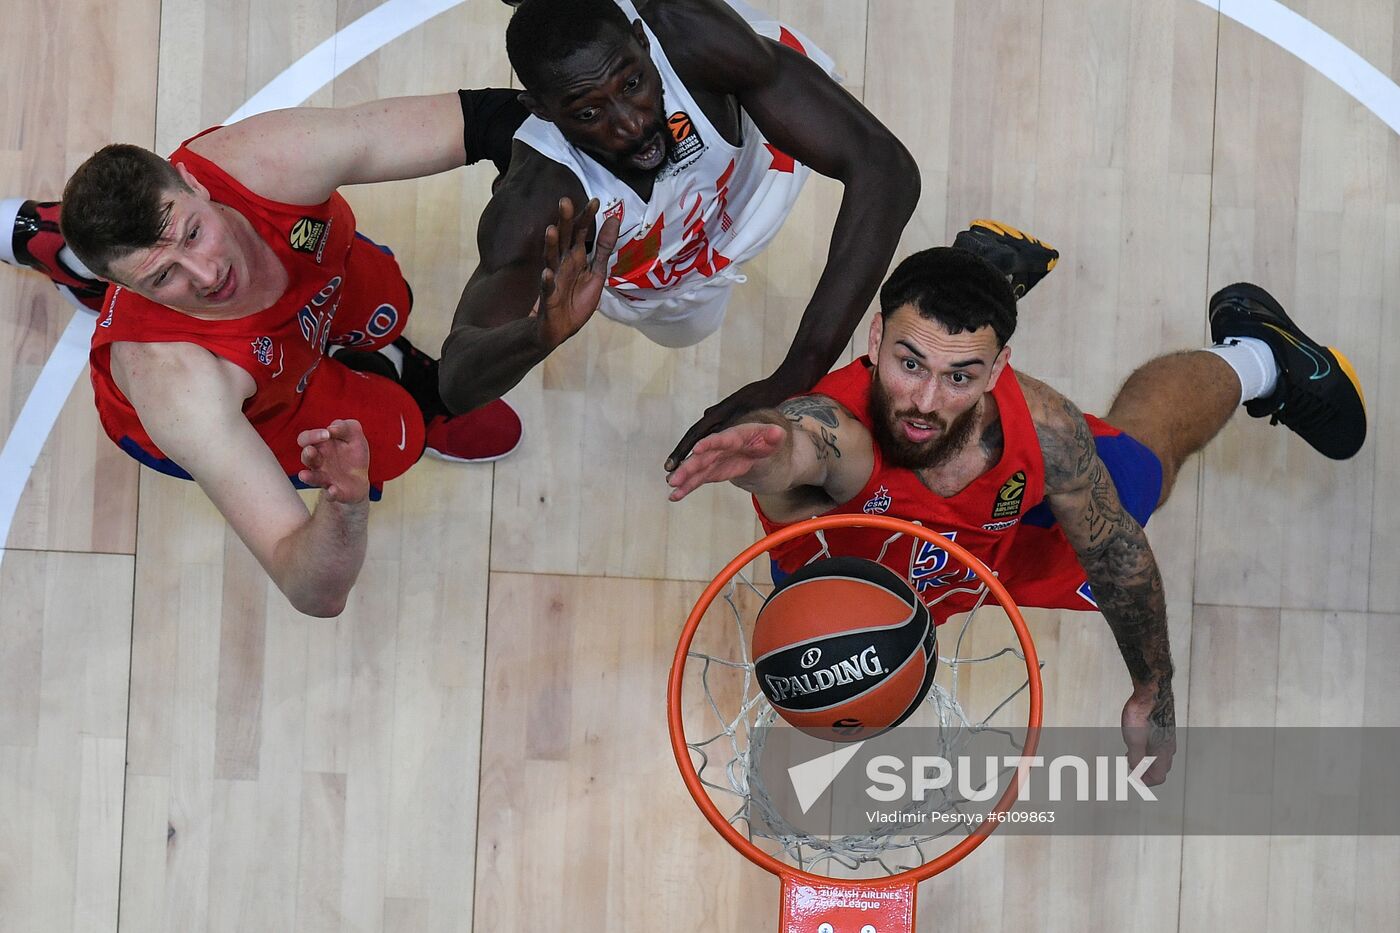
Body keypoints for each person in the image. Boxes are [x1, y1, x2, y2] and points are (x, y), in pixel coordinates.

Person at [666, 246, 1368, 785]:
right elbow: (802, 445)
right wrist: (763, 447)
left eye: (960, 376)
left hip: (1000, 531)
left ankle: (1261, 355)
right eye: (909, 363)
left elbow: (1121, 562)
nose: (924, 401)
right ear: (874, 340)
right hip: (876, 575)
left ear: (999, 370)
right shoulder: (845, 431)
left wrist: (1153, 685)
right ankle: (979, 266)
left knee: (1152, 467)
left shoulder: (1045, 430)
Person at [1, 89, 533, 616]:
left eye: (192, 233)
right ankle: (427, 403)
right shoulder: (180, 389)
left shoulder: (259, 160)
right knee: (394, 435)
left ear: (193, 182)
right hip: (257, 402)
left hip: (308, 294)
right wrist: (343, 507)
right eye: (162, 276)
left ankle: (58, 245)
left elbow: (483, 121)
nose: (209, 276)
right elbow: (311, 591)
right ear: (131, 289)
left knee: (387, 298)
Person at [440, 0, 931, 472]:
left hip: (760, 181)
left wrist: (796, 374)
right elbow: (456, 379)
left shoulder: (688, 35)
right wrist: (535, 336)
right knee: (688, 330)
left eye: (633, 83)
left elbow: (888, 171)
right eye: (588, 114)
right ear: (541, 111)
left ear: (642, 41)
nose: (630, 124)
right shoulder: (540, 197)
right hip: (668, 283)